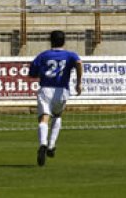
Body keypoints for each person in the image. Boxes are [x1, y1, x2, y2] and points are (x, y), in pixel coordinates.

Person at [29, 30, 83, 167]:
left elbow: (32, 74)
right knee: (57, 116)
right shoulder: (70, 55)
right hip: (62, 91)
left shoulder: (43, 55)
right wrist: (79, 82)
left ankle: (43, 144)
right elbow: (79, 62)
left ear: (50, 41)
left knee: (44, 118)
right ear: (64, 41)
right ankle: (51, 145)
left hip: (46, 89)